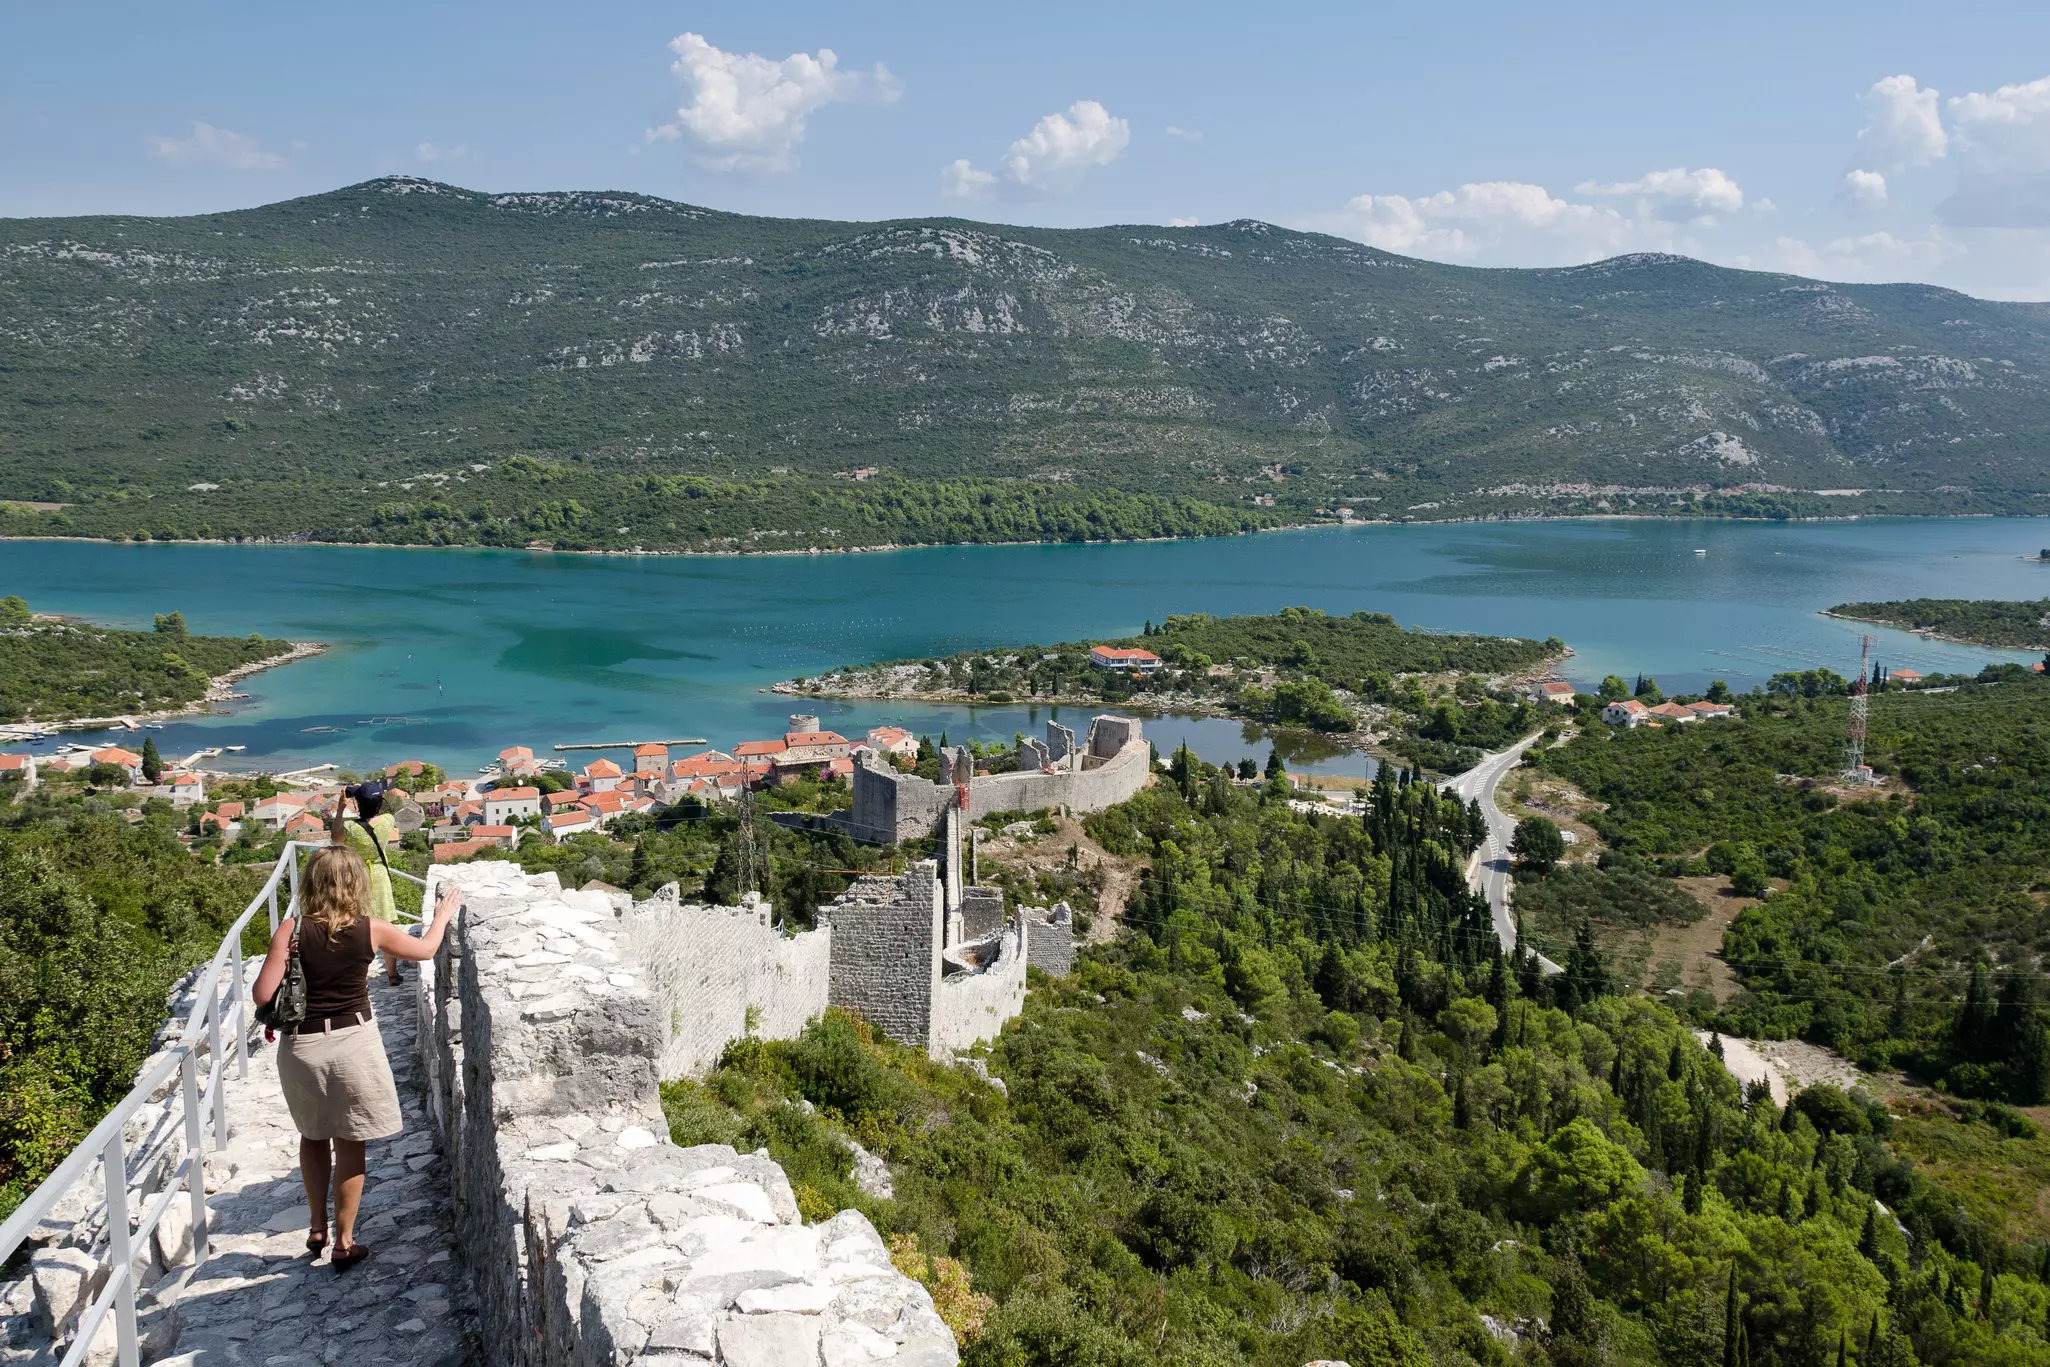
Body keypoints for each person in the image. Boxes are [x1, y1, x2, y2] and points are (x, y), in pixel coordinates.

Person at [252, 843, 460, 1271]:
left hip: (302, 1047)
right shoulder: (372, 929)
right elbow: (424, 952)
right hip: (353, 1043)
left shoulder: (290, 931)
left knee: (312, 1135)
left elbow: (262, 996)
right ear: (356, 883)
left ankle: (316, 1226)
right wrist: (440, 918)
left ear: (311, 883)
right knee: (351, 1140)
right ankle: (345, 1242)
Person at [338, 793, 406, 984]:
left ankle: (360, 980)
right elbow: (388, 811)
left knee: (357, 927)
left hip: (357, 876)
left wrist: (342, 808)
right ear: (379, 804)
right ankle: (392, 974)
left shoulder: (350, 827)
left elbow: (335, 838)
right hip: (380, 875)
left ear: (358, 805)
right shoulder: (387, 820)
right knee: (385, 925)